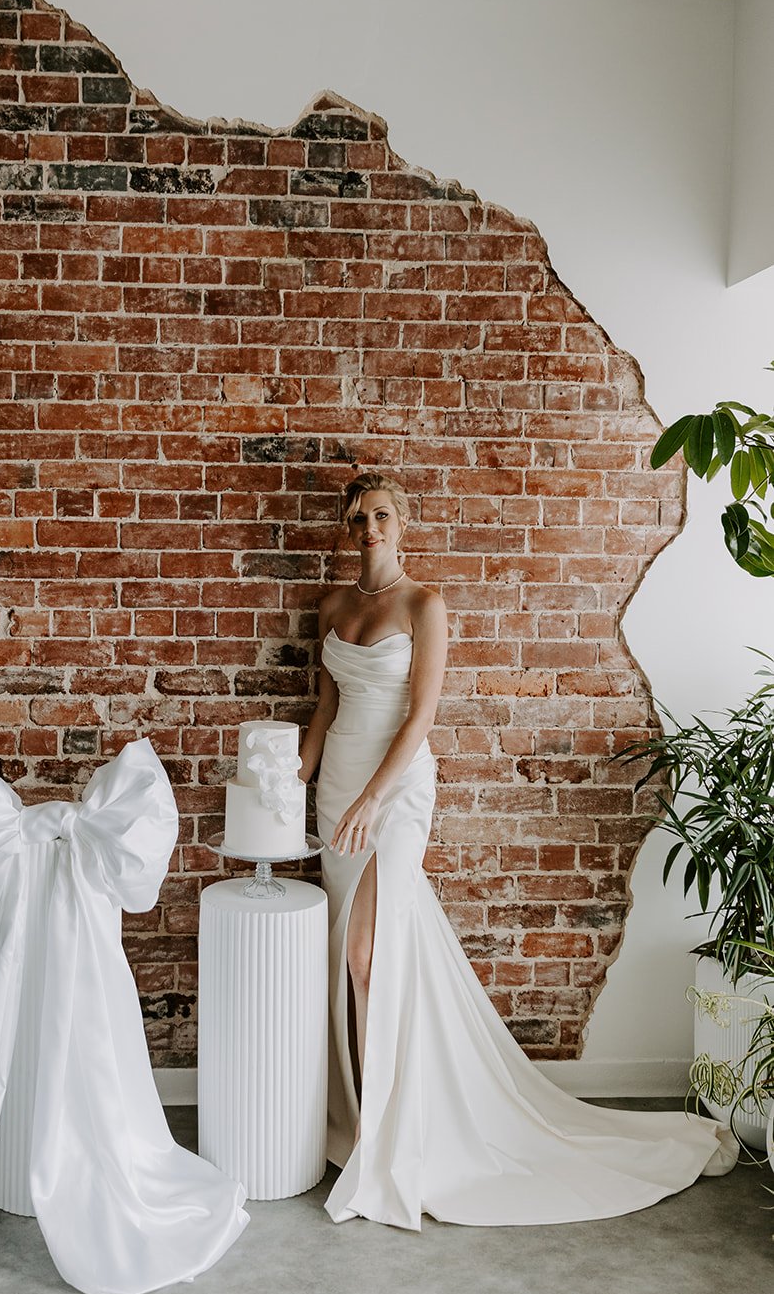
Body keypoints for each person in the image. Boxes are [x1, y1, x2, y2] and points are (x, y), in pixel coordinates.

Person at [298, 470, 737, 1229]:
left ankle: (386, 1136)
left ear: (402, 524)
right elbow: (326, 704)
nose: (367, 527)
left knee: (367, 955)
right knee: (346, 954)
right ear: (345, 528)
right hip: (335, 785)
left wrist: (374, 797)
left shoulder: (424, 604)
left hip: (394, 792)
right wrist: (286, 781)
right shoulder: (332, 605)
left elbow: (421, 716)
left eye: (380, 515)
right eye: (356, 517)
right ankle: (369, 1107)